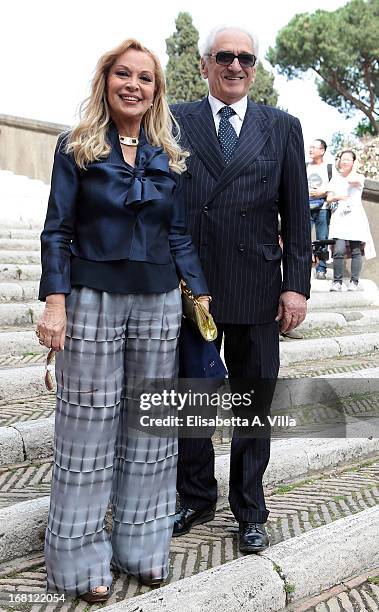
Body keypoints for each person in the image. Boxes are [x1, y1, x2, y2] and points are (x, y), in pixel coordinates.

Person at [36, 38, 210, 603]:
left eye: (146, 78)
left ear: (157, 91)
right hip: (91, 298)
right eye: (123, 74)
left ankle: (142, 548)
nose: (134, 85)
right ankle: (79, 562)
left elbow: (178, 232)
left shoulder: (169, 155)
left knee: (150, 434)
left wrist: (199, 296)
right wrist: (55, 302)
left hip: (158, 302)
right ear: (105, 80)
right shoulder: (77, 147)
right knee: (86, 434)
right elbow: (57, 229)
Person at [171, 26, 311, 554]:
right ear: (205, 63)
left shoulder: (283, 127)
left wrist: (295, 286)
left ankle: (250, 508)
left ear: (256, 67)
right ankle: (196, 495)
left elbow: (297, 216)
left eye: (245, 58)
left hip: (257, 286)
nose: (235, 66)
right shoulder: (175, 118)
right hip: (194, 289)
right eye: (224, 56)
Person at [326, 149, 376, 291]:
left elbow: (354, 181)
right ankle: (337, 282)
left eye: (348, 159)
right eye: (343, 158)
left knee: (356, 250)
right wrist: (339, 197)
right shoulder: (335, 178)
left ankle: (354, 281)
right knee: (338, 250)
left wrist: (349, 172)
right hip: (339, 216)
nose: (345, 161)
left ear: (354, 162)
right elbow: (329, 198)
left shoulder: (359, 177)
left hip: (355, 217)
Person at [307, 139, 333, 280]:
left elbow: (336, 184)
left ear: (322, 151)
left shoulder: (329, 168)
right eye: (310, 147)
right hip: (305, 207)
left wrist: (323, 191)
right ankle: (304, 265)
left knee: (322, 239)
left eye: (314, 147)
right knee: (303, 238)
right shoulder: (305, 166)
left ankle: (321, 268)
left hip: (323, 208)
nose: (310, 150)